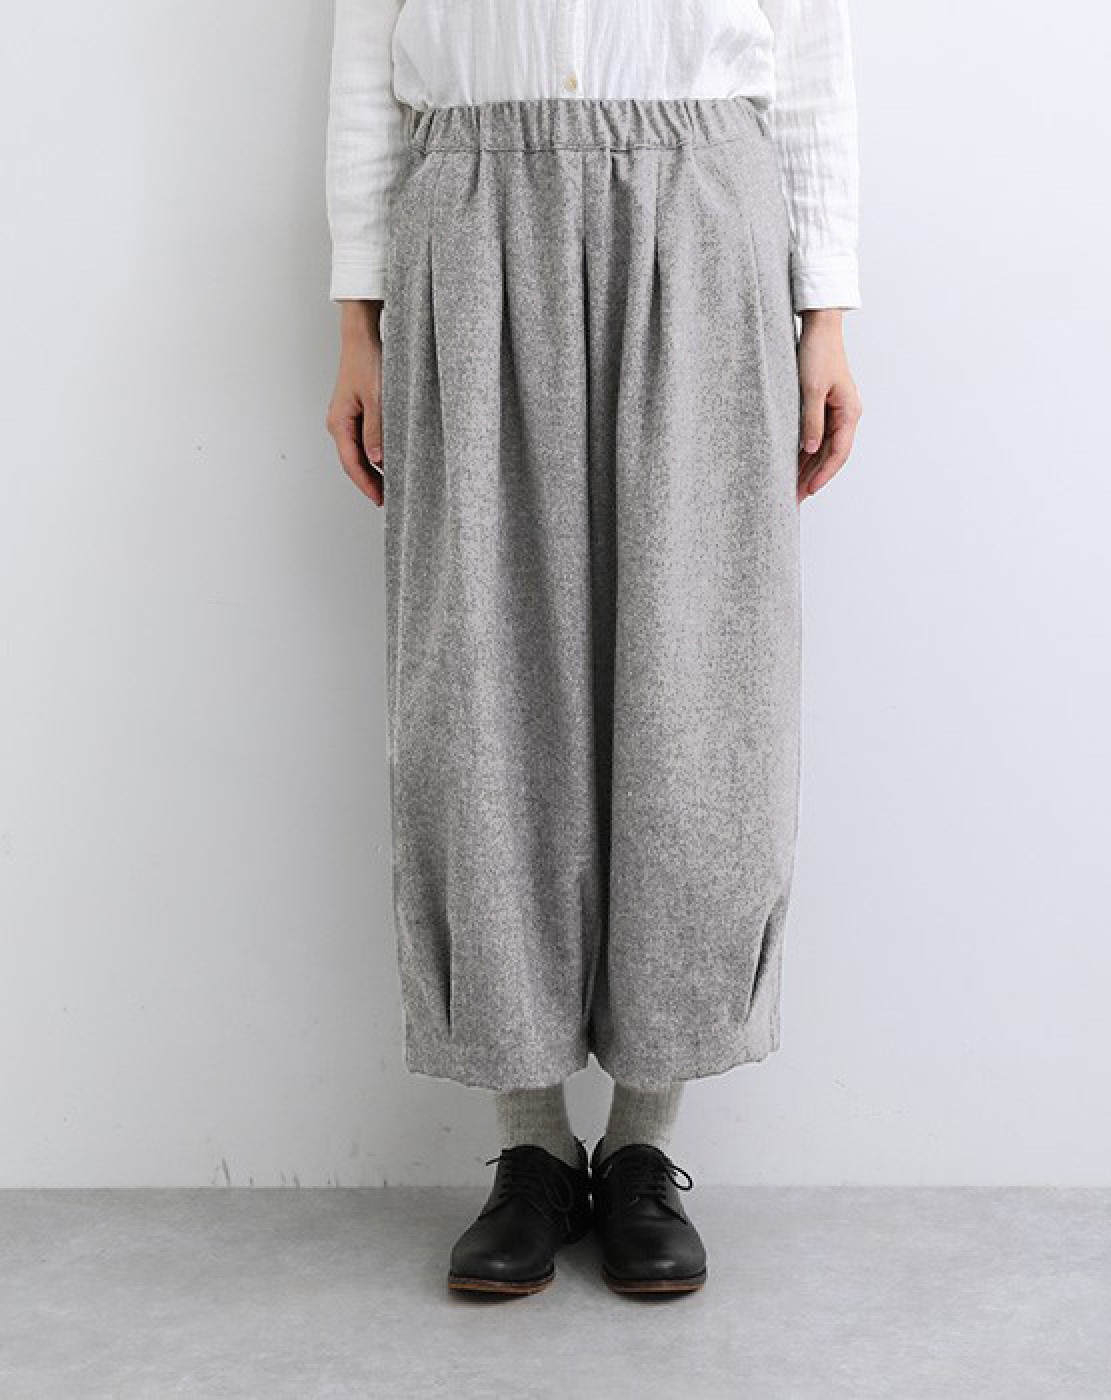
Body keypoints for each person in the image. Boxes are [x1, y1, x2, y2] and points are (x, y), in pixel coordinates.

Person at [324, 0, 862, 1298]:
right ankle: (528, 1144)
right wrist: (356, 318)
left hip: (703, 211)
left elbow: (813, 55)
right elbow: (363, 59)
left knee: (695, 683)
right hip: (469, 208)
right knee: (481, 686)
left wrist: (827, 310)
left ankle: (642, 1146)